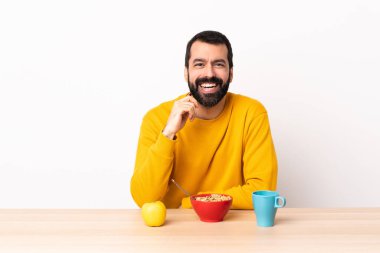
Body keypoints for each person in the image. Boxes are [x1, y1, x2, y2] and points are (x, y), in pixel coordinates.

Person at [130, 31, 277, 209]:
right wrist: (168, 133)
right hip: (173, 231)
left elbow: (262, 191)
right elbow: (144, 198)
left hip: (232, 228)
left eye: (219, 64)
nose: (209, 73)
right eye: (199, 64)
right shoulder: (156, 118)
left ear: (230, 73)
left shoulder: (251, 113)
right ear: (186, 73)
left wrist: (193, 203)